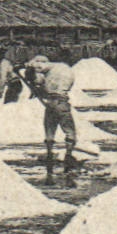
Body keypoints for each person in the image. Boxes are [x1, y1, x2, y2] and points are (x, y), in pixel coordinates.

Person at [26, 56, 80, 187]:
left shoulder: (48, 69)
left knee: (49, 134)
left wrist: (29, 70)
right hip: (62, 103)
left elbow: (37, 75)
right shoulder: (65, 69)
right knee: (70, 133)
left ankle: (50, 163)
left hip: (50, 104)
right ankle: (68, 159)